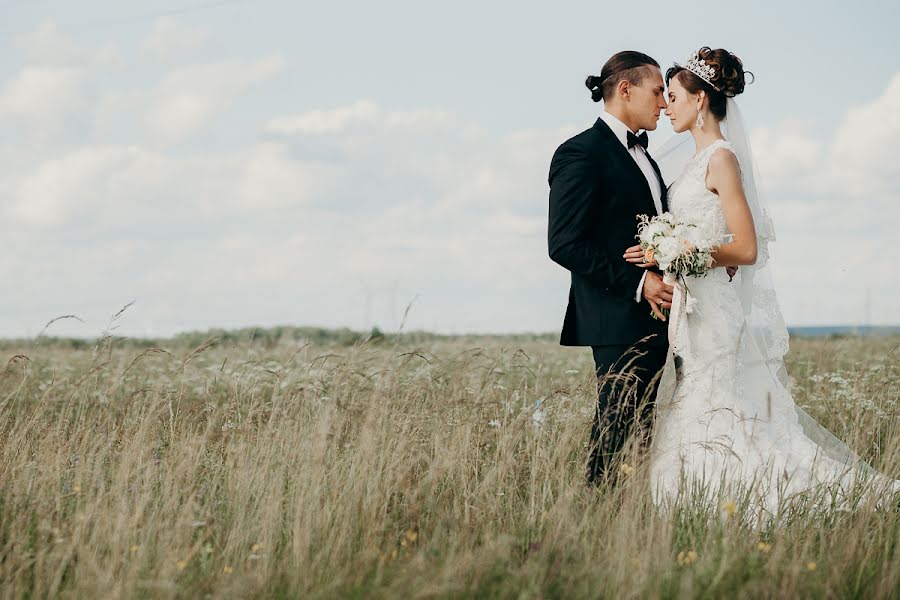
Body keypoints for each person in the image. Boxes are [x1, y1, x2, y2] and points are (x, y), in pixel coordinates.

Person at [627, 47, 899, 520]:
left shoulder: (723, 159)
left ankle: (735, 494)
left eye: (673, 96)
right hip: (692, 309)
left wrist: (678, 253)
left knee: (714, 402)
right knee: (698, 398)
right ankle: (696, 495)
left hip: (715, 312)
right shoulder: (691, 162)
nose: (666, 106)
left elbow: (746, 247)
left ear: (701, 101)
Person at [547, 50, 672, 487]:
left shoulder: (646, 157)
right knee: (615, 434)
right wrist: (640, 283)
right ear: (625, 89)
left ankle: (626, 527)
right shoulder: (580, 153)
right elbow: (564, 243)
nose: (664, 102)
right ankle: (597, 522)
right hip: (616, 316)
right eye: (657, 91)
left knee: (642, 435)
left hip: (657, 320)